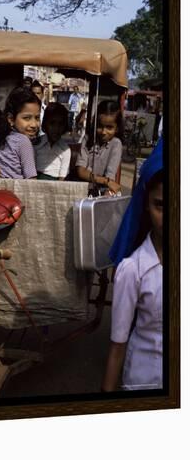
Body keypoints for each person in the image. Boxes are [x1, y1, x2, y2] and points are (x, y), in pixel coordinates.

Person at [102, 142, 163, 392]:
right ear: (146, 206)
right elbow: (118, 345)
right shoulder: (134, 269)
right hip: (144, 382)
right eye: (160, 204)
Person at [75, 100, 123, 195]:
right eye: (100, 126)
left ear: (117, 128)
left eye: (109, 127)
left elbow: (110, 175)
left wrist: (106, 186)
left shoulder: (116, 144)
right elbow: (81, 171)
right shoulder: (88, 138)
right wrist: (105, 181)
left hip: (101, 191)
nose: (104, 132)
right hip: (82, 189)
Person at [0, 87, 40, 179]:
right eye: (27, 118)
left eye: (37, 118)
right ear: (11, 119)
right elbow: (31, 180)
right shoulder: (23, 141)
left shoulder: (5, 137)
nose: (34, 124)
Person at [34, 102, 71, 180]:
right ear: (45, 123)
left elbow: (62, 179)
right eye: (52, 123)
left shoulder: (65, 150)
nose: (56, 129)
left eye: (60, 124)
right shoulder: (36, 143)